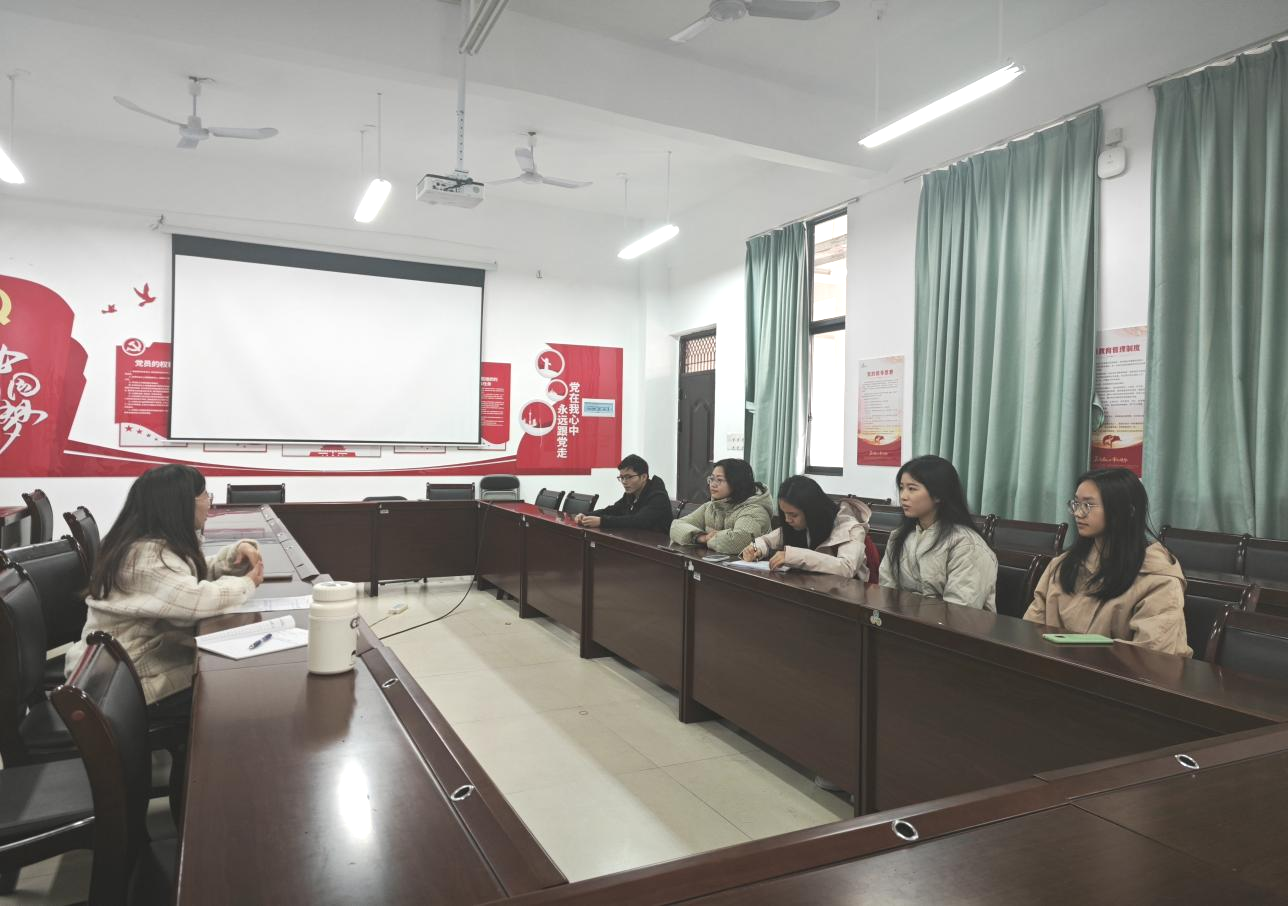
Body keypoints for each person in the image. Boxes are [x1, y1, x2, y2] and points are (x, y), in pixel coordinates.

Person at [66, 464, 266, 722]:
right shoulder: (146, 557)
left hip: (127, 666)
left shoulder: (147, 545)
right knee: (230, 687)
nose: (210, 503)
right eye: (205, 495)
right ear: (181, 504)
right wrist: (247, 583)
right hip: (124, 684)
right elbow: (196, 601)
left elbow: (183, 579)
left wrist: (231, 558)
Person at [1024, 468, 1190, 656]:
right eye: (1076, 503)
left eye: (1088, 505)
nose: (1078, 513)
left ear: (1127, 511)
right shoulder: (1062, 565)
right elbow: (1030, 630)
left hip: (1117, 674)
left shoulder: (1158, 578)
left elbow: (1152, 655)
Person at [878, 455, 997, 611]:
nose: (903, 496)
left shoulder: (966, 545)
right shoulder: (898, 536)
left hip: (952, 624)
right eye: (901, 488)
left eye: (912, 489)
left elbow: (960, 611)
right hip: (904, 621)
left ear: (938, 495)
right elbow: (886, 592)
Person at [741, 475, 872, 580]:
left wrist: (794, 556)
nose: (787, 520)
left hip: (848, 596)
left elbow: (847, 567)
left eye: (793, 515)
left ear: (811, 511)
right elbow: (767, 540)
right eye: (784, 513)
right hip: (812, 589)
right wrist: (756, 548)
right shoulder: (800, 524)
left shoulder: (850, 527)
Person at [669, 458, 773, 556]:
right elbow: (676, 526)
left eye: (719, 480)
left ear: (736, 483)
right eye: (712, 479)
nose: (713, 485)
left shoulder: (755, 510)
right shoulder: (711, 506)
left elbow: (738, 541)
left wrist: (713, 537)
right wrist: (701, 537)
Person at [574, 454, 672, 532]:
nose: (624, 482)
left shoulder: (658, 496)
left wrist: (602, 521)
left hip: (657, 547)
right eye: (622, 477)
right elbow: (613, 510)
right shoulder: (631, 493)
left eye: (629, 477)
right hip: (636, 540)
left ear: (644, 477)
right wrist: (586, 515)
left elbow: (639, 521)